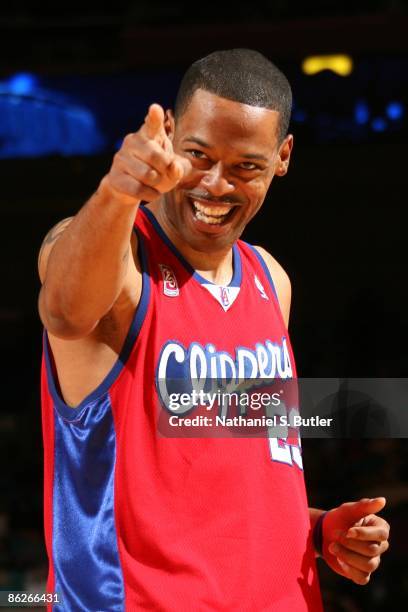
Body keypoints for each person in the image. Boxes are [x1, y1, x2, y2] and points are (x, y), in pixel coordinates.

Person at [38, 49, 389, 611]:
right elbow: (64, 311)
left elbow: (234, 471)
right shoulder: (119, 256)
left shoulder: (271, 281)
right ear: (170, 133)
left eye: (245, 166)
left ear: (283, 158)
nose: (215, 185)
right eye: (197, 155)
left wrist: (316, 531)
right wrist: (116, 193)